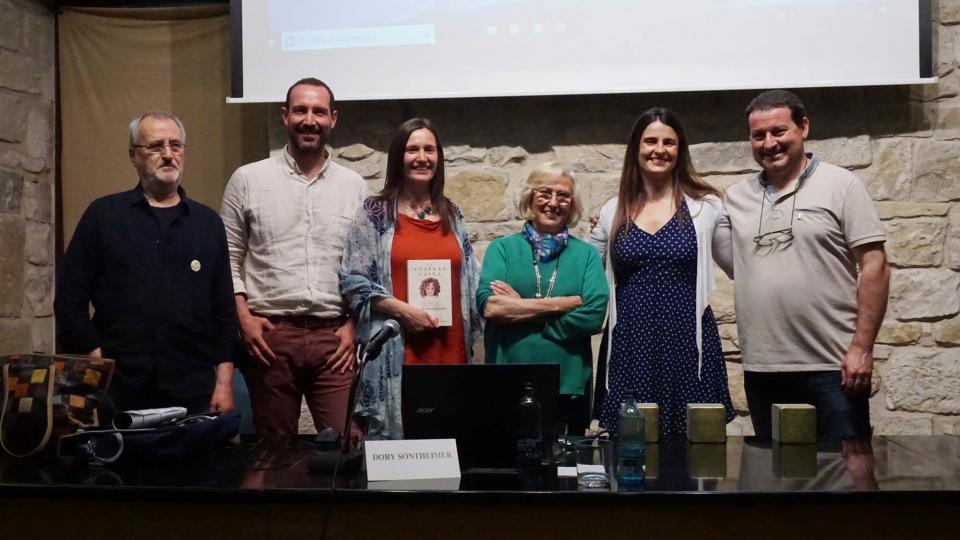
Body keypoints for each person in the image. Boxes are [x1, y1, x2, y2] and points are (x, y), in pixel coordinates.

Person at [718, 90, 889, 440]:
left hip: (832, 368)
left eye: (779, 131)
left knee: (844, 479)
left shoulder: (842, 185)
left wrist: (862, 348)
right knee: (775, 484)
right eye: (758, 135)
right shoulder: (736, 197)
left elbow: (875, 266)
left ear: (803, 127)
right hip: (762, 369)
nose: (769, 143)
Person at [55, 111, 236, 415]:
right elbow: (69, 301)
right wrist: (97, 357)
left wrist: (225, 383)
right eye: (155, 146)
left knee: (194, 464)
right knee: (117, 463)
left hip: (192, 387)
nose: (167, 154)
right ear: (133, 156)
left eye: (175, 145)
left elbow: (223, 312)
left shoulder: (208, 224)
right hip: (118, 387)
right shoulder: (103, 217)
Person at [220, 78, 367, 435]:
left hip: (334, 339)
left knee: (346, 448)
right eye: (300, 110)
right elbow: (226, 255)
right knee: (273, 455)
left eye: (319, 111)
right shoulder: (248, 179)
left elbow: (366, 266)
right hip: (270, 338)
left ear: (333, 118)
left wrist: (353, 326)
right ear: (285, 116)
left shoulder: (355, 187)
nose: (309, 119)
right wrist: (244, 318)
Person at [591, 107, 735, 435]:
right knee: (631, 449)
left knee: (697, 452)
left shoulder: (706, 207)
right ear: (636, 148)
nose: (659, 149)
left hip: (688, 343)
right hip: (630, 344)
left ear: (679, 150)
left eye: (669, 142)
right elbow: (587, 273)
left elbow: (739, 266)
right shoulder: (612, 211)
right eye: (651, 141)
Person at [340, 117, 482, 439]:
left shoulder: (452, 212)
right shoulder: (374, 213)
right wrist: (404, 312)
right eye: (412, 149)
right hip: (397, 358)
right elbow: (354, 280)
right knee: (399, 465)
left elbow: (472, 277)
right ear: (397, 158)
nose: (422, 157)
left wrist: (504, 293)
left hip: (450, 354)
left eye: (429, 149)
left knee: (450, 454)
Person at [477, 162, 608, 435]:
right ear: (530, 197)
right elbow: (491, 307)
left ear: (572, 204)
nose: (553, 202)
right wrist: (563, 304)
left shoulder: (586, 255)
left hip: (568, 384)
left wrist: (521, 309)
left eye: (563, 195)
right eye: (545, 193)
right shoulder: (502, 249)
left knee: (567, 471)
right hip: (507, 379)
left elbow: (594, 314)